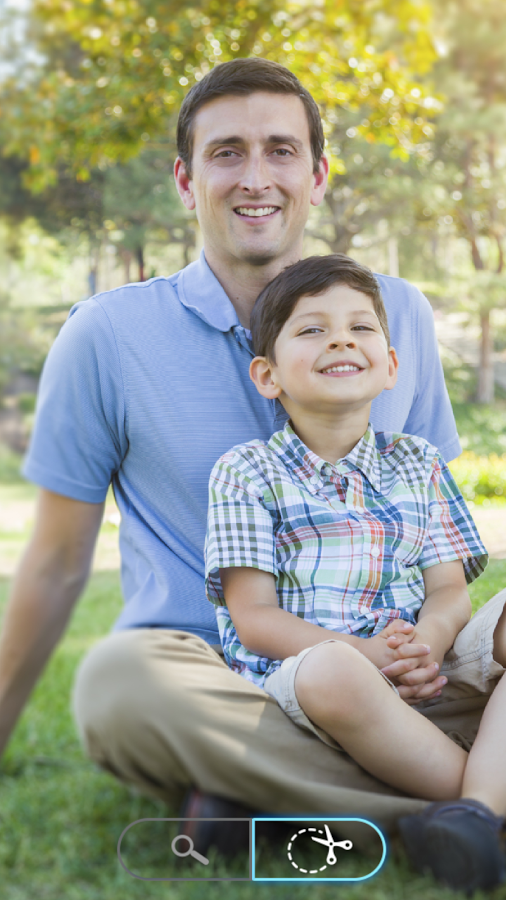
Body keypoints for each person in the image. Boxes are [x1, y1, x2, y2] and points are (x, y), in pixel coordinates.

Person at [0, 58, 467, 850]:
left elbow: (431, 537)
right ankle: (459, 807)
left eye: (281, 151)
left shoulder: (400, 316)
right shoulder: (106, 335)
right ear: (186, 181)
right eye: (227, 153)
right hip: (219, 679)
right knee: (117, 686)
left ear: (317, 175)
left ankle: (257, 799)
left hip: (398, 676)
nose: (257, 178)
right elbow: (53, 563)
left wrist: (423, 644)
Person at [205, 253, 506, 891]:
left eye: (361, 328)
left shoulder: (417, 462)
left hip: (425, 668)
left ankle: (474, 814)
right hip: (316, 681)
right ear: (268, 375)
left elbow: (450, 590)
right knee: (338, 672)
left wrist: (426, 643)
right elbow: (254, 620)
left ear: (392, 365)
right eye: (311, 329)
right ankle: (483, 800)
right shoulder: (247, 471)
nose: (340, 339)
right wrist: (368, 653)